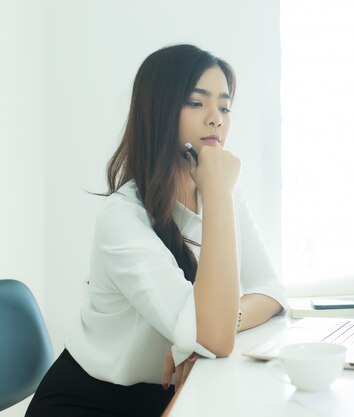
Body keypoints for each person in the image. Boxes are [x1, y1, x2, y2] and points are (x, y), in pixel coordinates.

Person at [26, 44, 287, 417]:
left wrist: (206, 334)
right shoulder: (122, 218)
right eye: (197, 103)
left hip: (168, 393)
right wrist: (203, 334)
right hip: (92, 402)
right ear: (160, 111)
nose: (216, 118)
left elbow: (272, 292)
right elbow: (214, 335)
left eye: (225, 107)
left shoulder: (222, 191)